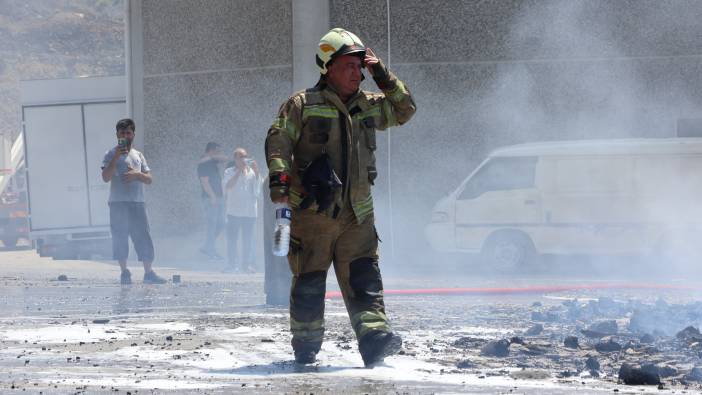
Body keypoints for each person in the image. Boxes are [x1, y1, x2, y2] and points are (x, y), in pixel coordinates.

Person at [264, 28, 416, 366]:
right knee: (309, 283)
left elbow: (405, 109)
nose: (357, 72)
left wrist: (382, 74)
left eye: (360, 66)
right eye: (349, 65)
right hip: (313, 215)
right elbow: (279, 141)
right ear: (328, 67)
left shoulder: (368, 105)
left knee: (364, 279)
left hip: (357, 215)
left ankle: (374, 339)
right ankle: (305, 347)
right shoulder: (302, 105)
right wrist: (280, 189)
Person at [101, 118, 166, 285]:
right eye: (122, 133)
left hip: (137, 202)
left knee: (143, 236)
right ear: (117, 134)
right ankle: (124, 272)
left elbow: (149, 179)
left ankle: (148, 272)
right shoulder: (110, 153)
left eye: (128, 133)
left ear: (133, 134)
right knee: (120, 236)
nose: (125, 135)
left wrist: (137, 175)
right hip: (117, 203)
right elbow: (105, 178)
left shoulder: (138, 155)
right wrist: (116, 157)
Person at [221, 148, 264, 273]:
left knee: (248, 241)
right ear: (235, 159)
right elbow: (227, 187)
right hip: (233, 211)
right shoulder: (229, 171)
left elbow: (258, 190)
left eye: (245, 156)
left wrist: (256, 172)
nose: (243, 159)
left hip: (250, 212)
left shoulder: (251, 172)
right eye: (240, 156)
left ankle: (246, 266)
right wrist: (239, 171)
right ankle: (232, 265)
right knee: (232, 240)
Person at [197, 142, 227, 260]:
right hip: (210, 199)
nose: (219, 153)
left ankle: (207, 246)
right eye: (217, 151)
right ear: (211, 150)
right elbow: (204, 182)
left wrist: (210, 157)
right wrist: (212, 196)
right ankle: (210, 251)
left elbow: (225, 158)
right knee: (212, 225)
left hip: (218, 198)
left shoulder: (210, 161)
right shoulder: (204, 164)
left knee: (221, 223)